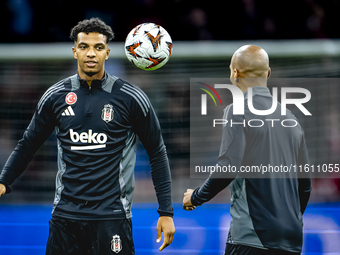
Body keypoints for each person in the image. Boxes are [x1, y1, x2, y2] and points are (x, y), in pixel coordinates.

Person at [0, 18, 175, 255]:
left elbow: (157, 153)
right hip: (65, 217)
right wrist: (3, 181)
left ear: (107, 53)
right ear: (75, 51)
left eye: (98, 48)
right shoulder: (55, 96)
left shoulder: (132, 98)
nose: (91, 53)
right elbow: (27, 145)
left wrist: (166, 212)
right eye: (84, 47)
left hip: (112, 218)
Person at [183, 45, 311, 255]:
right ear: (268, 73)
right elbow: (304, 186)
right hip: (291, 239)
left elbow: (228, 166)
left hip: (252, 236)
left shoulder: (237, 110)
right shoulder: (292, 119)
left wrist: (196, 197)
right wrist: (290, 219)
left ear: (234, 73)